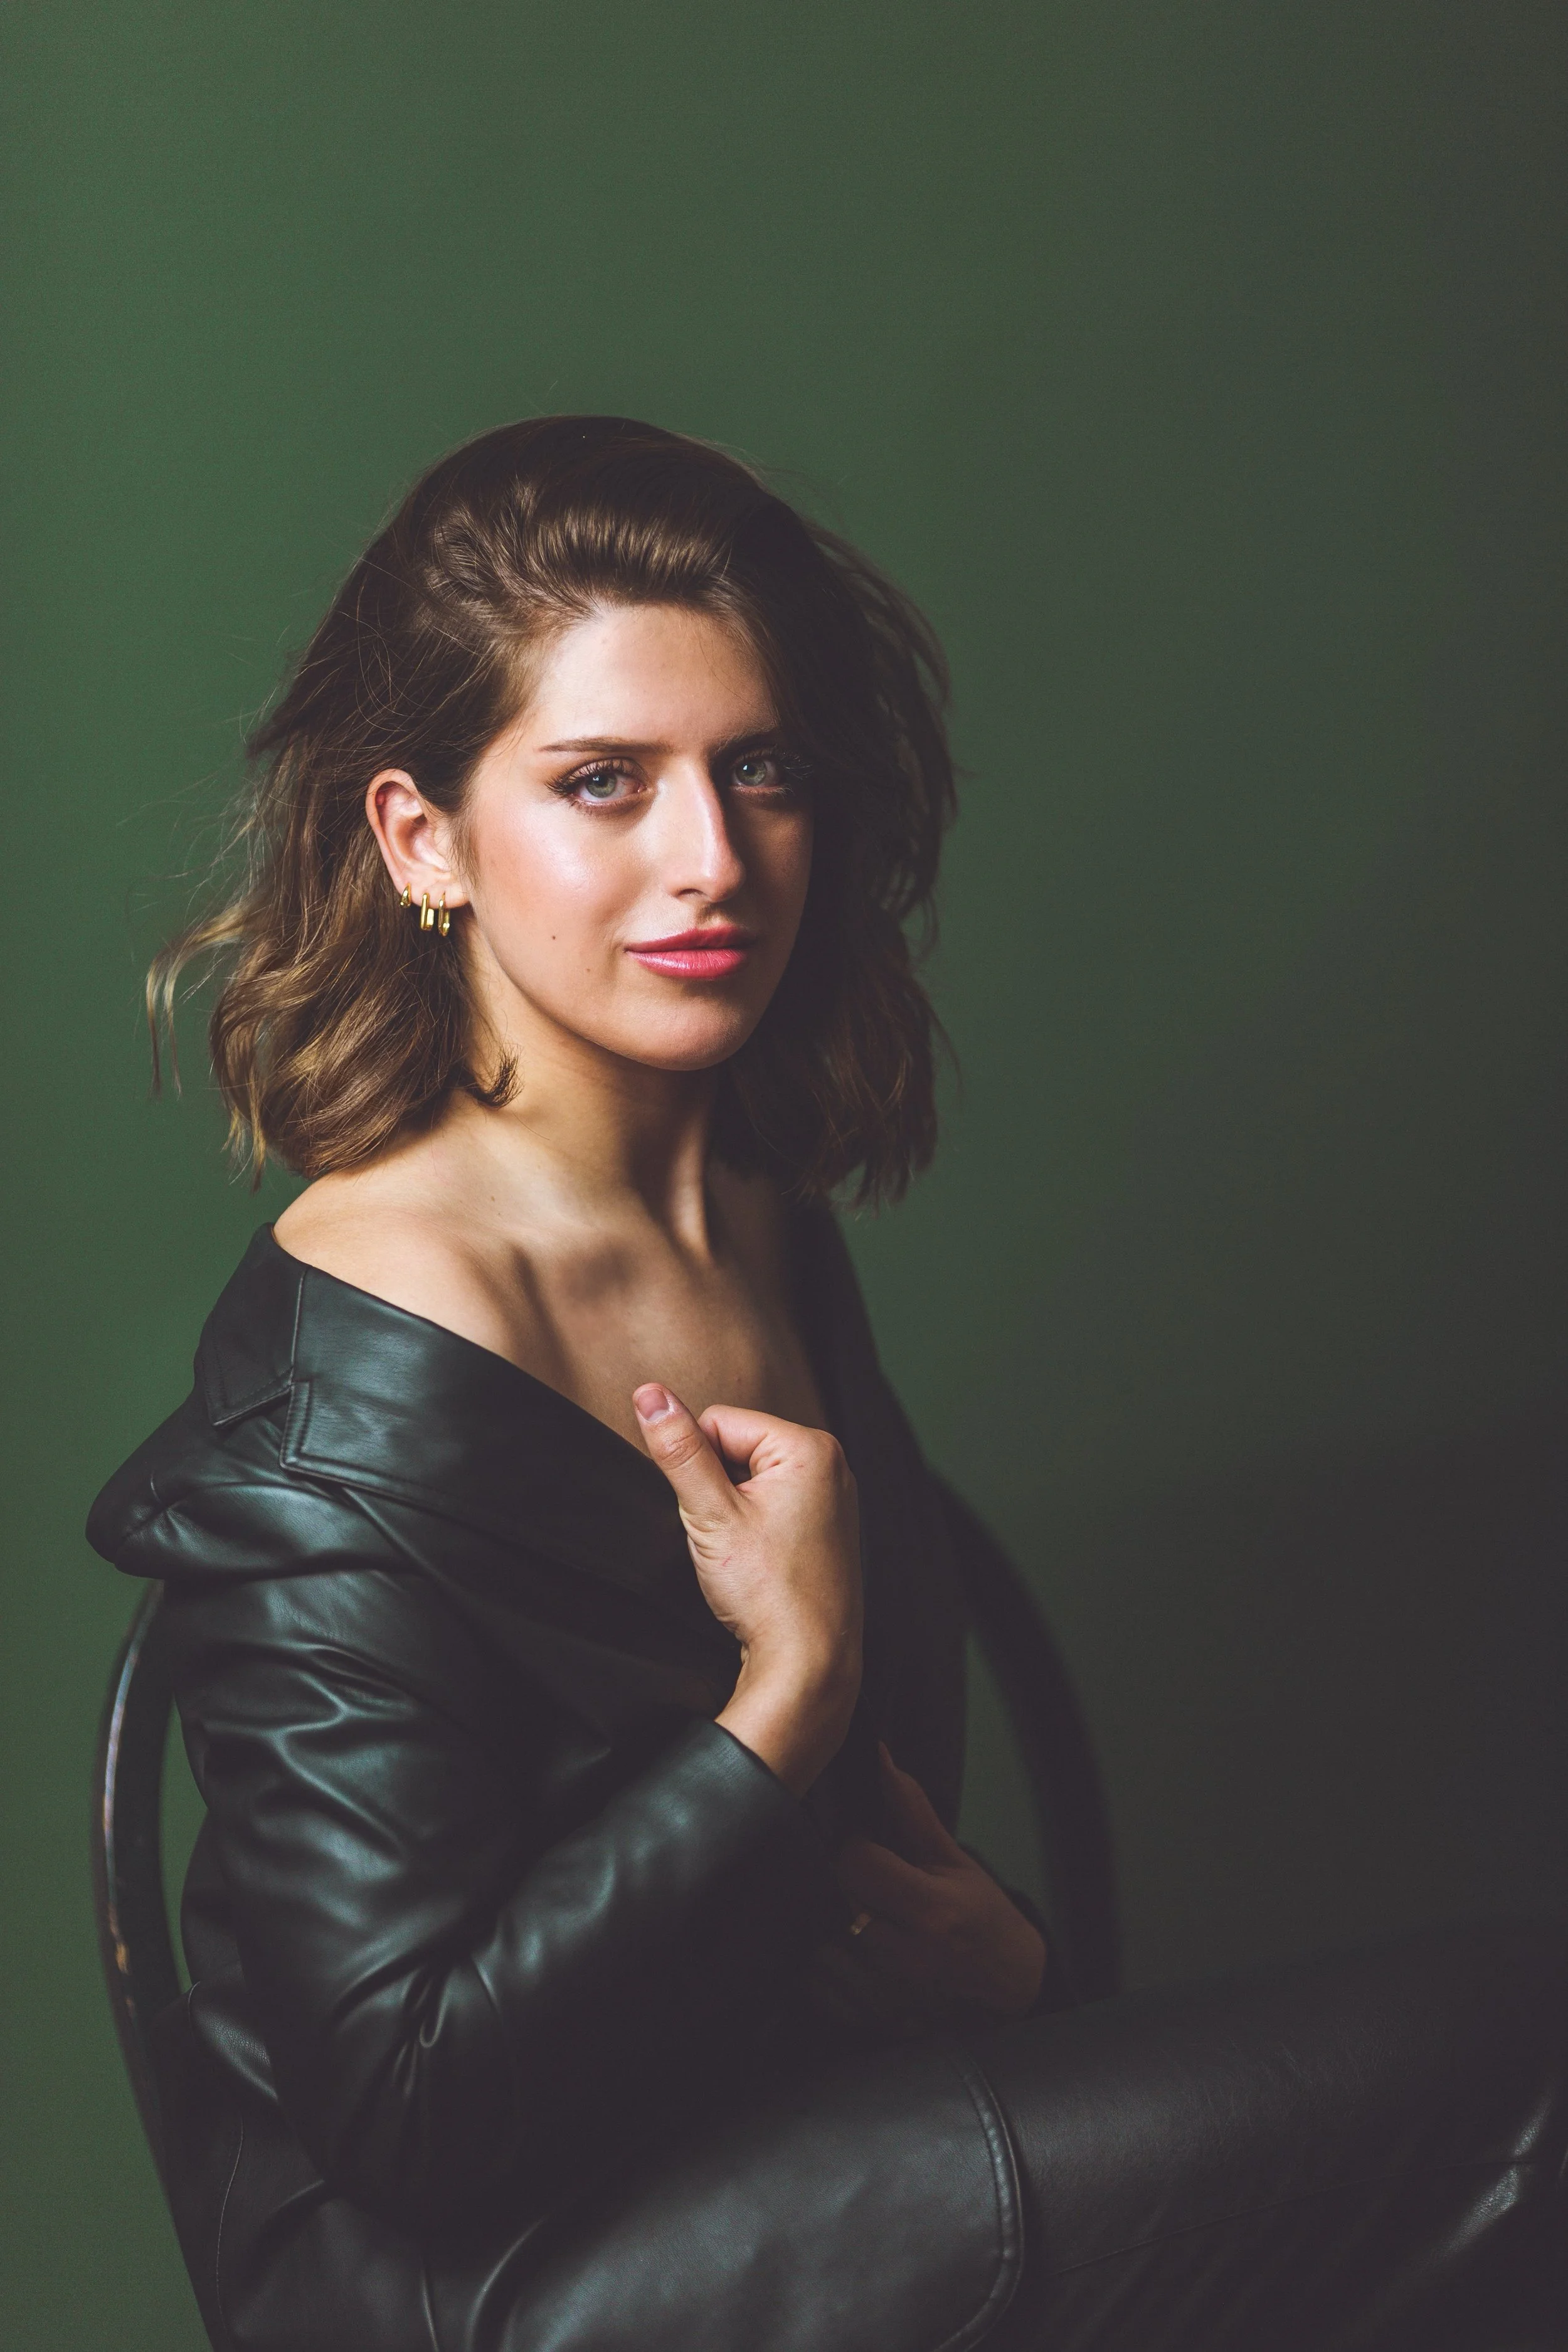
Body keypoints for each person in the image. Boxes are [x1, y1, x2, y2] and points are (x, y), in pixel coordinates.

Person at [90, 416, 1568, 2351]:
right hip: (492, 2274)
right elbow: (409, 2100)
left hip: (792, 2141)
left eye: (759, 768)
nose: (711, 860)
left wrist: (1006, 1965)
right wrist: (781, 1695)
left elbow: (870, 1862)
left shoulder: (751, 1210)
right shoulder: (344, 1377)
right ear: (421, 838)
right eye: (602, 782)